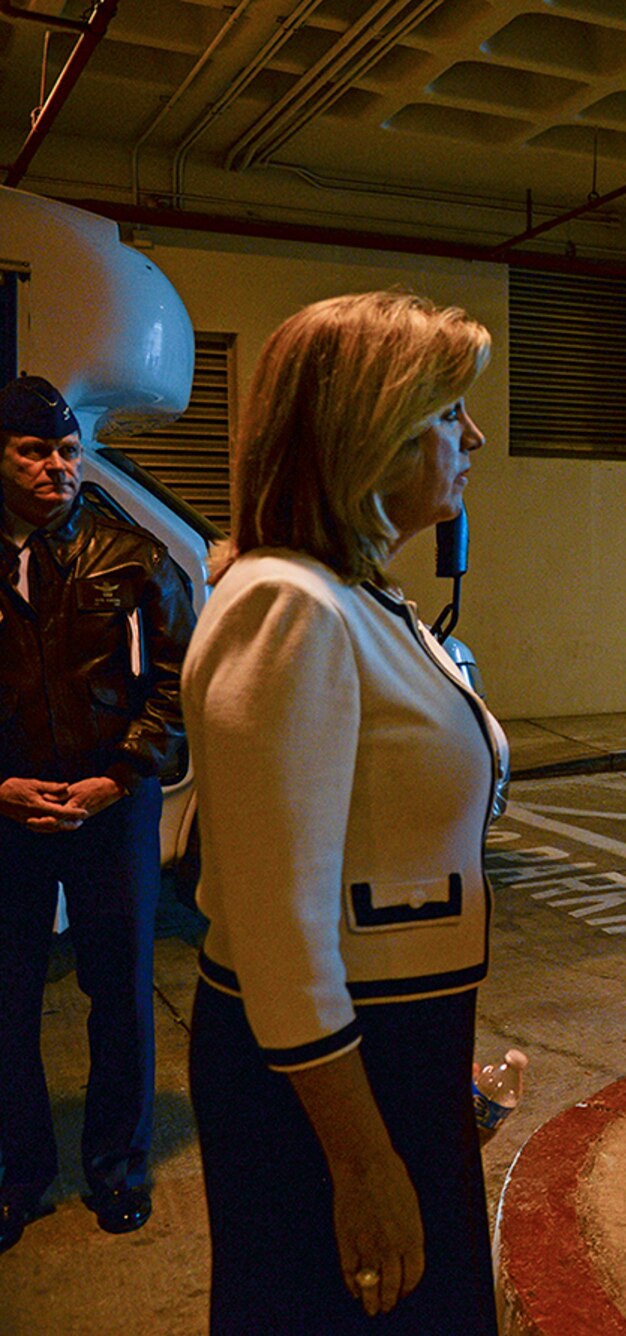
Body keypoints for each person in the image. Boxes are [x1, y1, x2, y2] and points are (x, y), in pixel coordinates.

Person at [181, 292, 506, 1332]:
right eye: (451, 411)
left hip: (388, 1049)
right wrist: (364, 1158)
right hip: (329, 1074)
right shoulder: (294, 606)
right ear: (375, 430)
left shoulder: (356, 596)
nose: (475, 437)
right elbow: (281, 932)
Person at [0, 374, 195, 1253]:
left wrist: (120, 778)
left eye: (68, 452)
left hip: (112, 809)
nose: (57, 467)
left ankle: (117, 1167)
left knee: (119, 993)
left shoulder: (133, 556)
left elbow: (182, 685)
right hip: (6, 816)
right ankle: (20, 1176)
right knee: (7, 1001)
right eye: (34, 451)